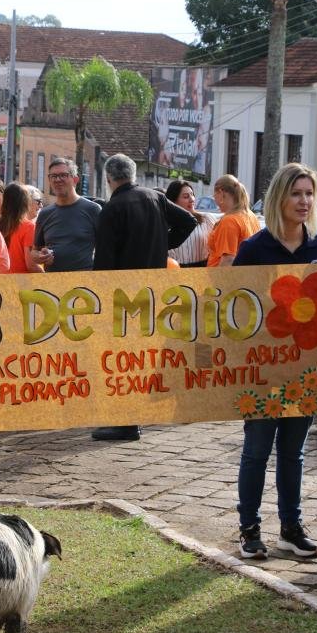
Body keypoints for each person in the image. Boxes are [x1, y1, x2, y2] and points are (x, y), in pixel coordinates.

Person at [232, 163, 317, 560]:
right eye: (296, 193)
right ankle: (250, 529)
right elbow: (233, 310)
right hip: (261, 367)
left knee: (294, 452)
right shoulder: (254, 249)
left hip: (304, 367)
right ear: (279, 198)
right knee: (256, 450)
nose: (304, 201)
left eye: (309, 193)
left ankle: (291, 527)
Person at [90, 153, 197, 441]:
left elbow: (104, 260)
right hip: (154, 289)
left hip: (124, 295)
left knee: (124, 358)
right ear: (133, 174)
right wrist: (165, 243)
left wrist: (99, 299)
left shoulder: (113, 208)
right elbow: (189, 221)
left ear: (110, 179)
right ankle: (132, 419)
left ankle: (126, 422)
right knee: (142, 356)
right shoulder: (155, 197)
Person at [31, 158, 100, 272]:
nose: (58, 180)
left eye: (63, 175)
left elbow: (106, 249)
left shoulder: (92, 209)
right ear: (49, 180)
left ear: (75, 179)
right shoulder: (45, 213)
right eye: (53, 176)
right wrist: (40, 257)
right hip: (54, 283)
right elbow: (34, 251)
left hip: (84, 282)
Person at [207, 174, 259, 267]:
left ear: (221, 192)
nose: (214, 198)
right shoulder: (251, 216)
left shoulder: (229, 221)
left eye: (214, 195)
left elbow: (228, 260)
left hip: (221, 279)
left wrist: (218, 281)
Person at [166, 179, 218, 267]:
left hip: (202, 271)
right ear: (173, 201)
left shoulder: (206, 219)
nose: (192, 199)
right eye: (186, 196)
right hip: (174, 272)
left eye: (192, 195)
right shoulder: (165, 224)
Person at [0, 182, 43, 274]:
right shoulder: (29, 227)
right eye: (38, 201)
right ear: (26, 203)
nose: (41, 206)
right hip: (21, 282)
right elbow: (31, 266)